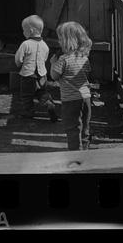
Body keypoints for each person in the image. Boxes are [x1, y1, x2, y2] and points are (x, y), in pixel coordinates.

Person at [50, 22, 93, 150]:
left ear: (66, 41)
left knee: (72, 128)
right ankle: (84, 150)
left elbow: (54, 76)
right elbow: (87, 73)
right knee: (85, 126)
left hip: (70, 100)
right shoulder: (84, 57)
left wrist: (53, 63)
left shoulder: (63, 59)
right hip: (86, 98)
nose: (58, 42)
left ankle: (75, 154)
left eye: (60, 39)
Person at [14, 15, 59, 122]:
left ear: (30, 30)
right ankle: (48, 103)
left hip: (28, 75)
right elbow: (44, 59)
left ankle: (28, 113)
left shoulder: (25, 44)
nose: (23, 32)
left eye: (24, 30)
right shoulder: (45, 45)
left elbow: (18, 59)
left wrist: (19, 65)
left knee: (26, 95)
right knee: (41, 92)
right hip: (42, 75)